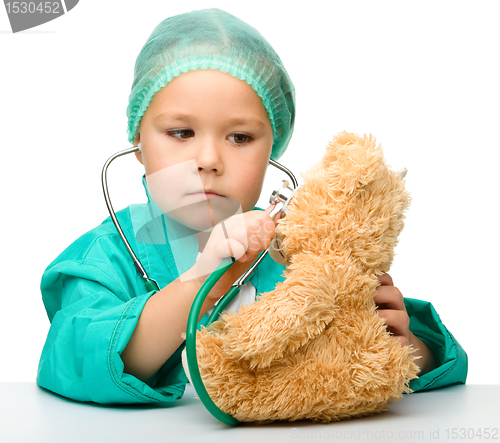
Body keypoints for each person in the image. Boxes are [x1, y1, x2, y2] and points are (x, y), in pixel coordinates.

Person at [37, 8, 467, 405]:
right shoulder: (105, 257)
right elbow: (72, 357)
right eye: (181, 132)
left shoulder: (302, 250)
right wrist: (199, 285)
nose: (207, 160)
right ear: (138, 144)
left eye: (240, 138)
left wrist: (408, 349)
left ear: (272, 150)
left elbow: (438, 361)